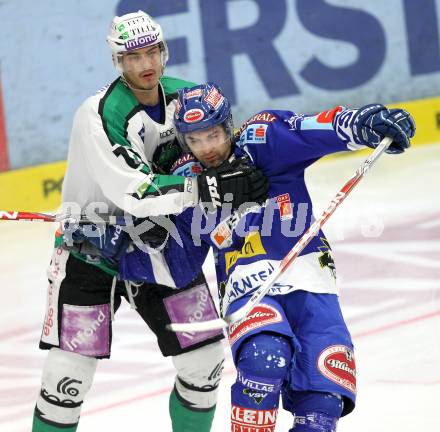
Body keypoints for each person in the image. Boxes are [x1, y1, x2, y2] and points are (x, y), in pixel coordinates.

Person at [117, 82, 415, 431]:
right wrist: (125, 239)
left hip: (312, 282)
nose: (206, 148)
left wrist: (363, 124)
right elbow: (175, 258)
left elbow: (316, 128)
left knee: (322, 405)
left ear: (228, 126)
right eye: (194, 139)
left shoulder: (263, 139)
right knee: (264, 358)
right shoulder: (189, 183)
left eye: (212, 134)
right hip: (248, 286)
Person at [32, 12, 268, 432]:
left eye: (152, 52)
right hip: (92, 256)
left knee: (205, 362)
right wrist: (208, 189)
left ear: (164, 51)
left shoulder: (188, 98)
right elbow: (134, 192)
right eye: (133, 56)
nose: (145, 64)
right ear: (117, 63)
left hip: (161, 253)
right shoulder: (99, 113)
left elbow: (219, 151)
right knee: (67, 379)